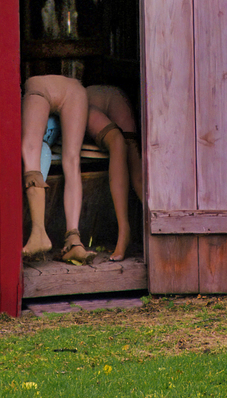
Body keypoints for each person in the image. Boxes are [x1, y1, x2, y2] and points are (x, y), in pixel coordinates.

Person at [22, 75, 95, 263]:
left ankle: (38, 233)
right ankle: (74, 242)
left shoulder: (32, 83)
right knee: (72, 162)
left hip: (39, 88)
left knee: (31, 150)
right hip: (75, 90)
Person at [86, 104, 131, 261]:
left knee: (130, 151)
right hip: (73, 101)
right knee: (119, 142)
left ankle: (127, 231)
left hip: (108, 99)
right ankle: (125, 230)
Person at [86, 85, 143, 203]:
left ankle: (125, 221)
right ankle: (125, 221)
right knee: (120, 143)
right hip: (105, 98)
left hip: (109, 98)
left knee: (122, 144)